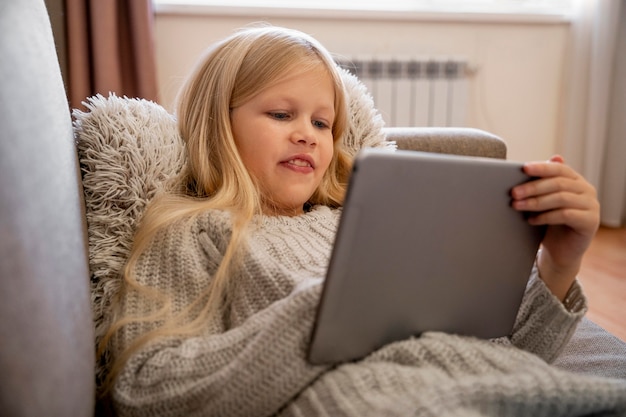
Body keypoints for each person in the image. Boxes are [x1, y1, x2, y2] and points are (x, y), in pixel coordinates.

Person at [99, 25, 626, 416]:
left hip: (506, 391)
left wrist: (559, 262)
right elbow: (147, 389)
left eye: (323, 122)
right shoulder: (189, 231)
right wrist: (326, 313)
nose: (308, 133)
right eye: (282, 114)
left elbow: (507, 352)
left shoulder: (365, 222)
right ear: (218, 123)